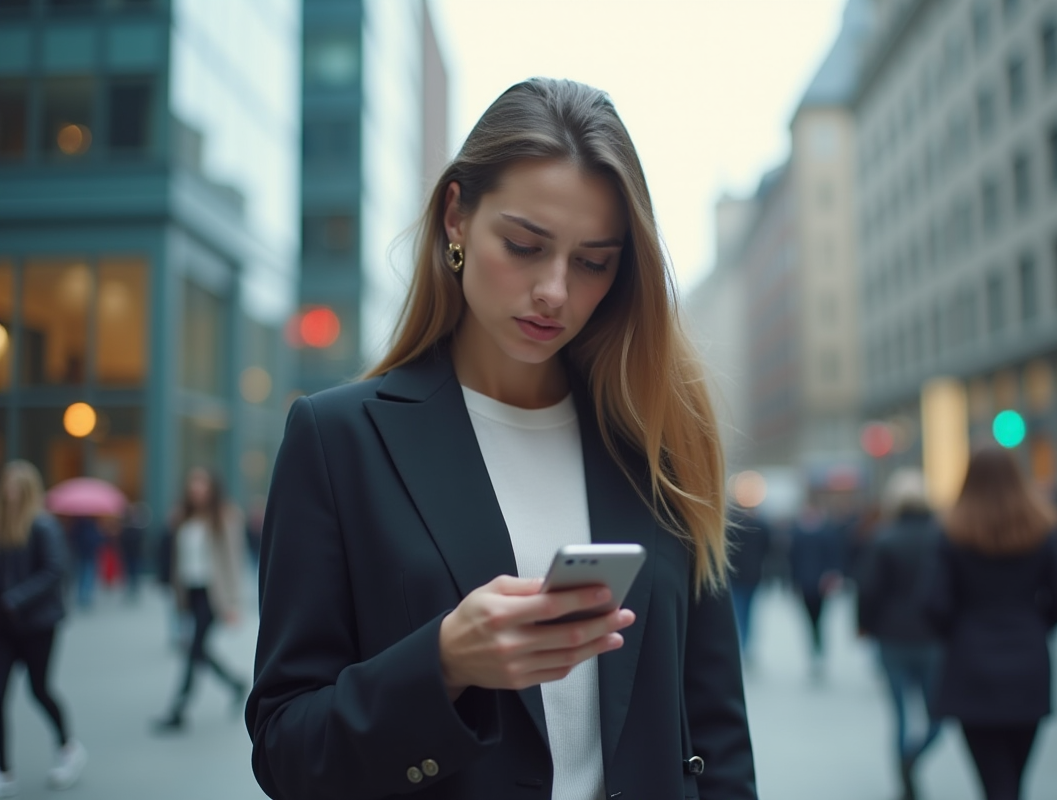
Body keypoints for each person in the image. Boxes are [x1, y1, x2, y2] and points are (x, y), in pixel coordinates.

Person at [245, 78, 756, 800]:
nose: (554, 289)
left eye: (592, 261)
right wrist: (444, 662)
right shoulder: (339, 441)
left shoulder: (659, 447)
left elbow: (717, 738)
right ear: (456, 216)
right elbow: (286, 749)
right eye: (524, 245)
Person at [925, 448, 1057, 800]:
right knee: (1016, 778)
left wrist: (958, 633)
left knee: (993, 781)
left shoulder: (952, 533)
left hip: (971, 662)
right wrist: (1036, 626)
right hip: (1029, 660)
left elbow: (933, 603)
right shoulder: (1041, 529)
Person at [0, 461, 87, 794]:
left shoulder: (43, 526)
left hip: (37, 624)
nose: (8, 492)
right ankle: (4, 769)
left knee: (39, 689)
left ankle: (69, 748)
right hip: (5, 627)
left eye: (14, 486)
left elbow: (54, 572)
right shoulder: (4, 525)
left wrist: (16, 599)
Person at [857, 469, 942, 800]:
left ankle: (903, 770)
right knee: (938, 713)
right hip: (932, 636)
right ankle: (914, 758)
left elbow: (869, 590)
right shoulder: (941, 537)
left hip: (891, 636)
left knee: (900, 713)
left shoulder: (883, 538)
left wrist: (863, 625)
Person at [153, 467, 247, 732]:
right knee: (198, 648)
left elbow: (234, 561)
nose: (197, 491)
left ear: (212, 489)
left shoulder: (226, 516)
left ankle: (178, 710)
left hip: (213, 594)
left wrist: (234, 603)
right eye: (193, 486)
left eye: (202, 486)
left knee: (193, 649)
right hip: (189, 592)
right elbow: (173, 556)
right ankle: (235, 683)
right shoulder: (182, 517)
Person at [787, 502, 842, 676]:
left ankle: (819, 648)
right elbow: (792, 560)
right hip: (804, 582)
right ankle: (814, 648)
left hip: (821, 583)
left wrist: (832, 576)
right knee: (809, 619)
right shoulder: (798, 534)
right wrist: (792, 582)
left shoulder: (827, 533)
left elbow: (834, 556)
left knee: (820, 618)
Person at [726, 502, 771, 654]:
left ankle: (742, 644)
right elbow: (768, 549)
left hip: (737, 575)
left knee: (740, 611)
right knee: (748, 612)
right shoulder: (760, 525)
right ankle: (745, 645)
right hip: (752, 575)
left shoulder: (732, 526)